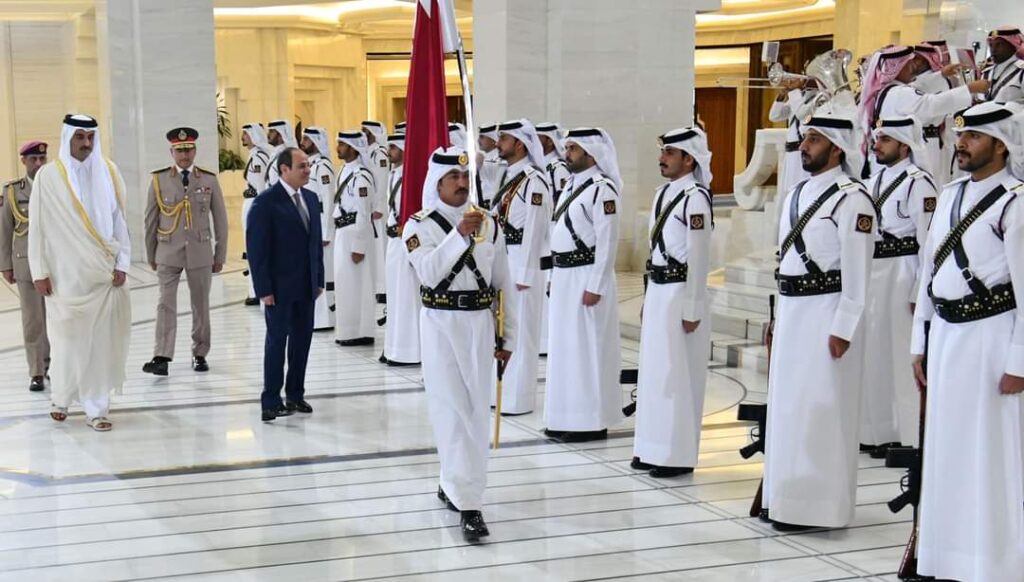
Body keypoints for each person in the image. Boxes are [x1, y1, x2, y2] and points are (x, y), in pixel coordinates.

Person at [911, 101, 1024, 581]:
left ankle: (993, 565)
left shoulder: (1015, 202)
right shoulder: (950, 193)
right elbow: (929, 271)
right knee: (946, 450)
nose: (961, 144)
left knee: (988, 455)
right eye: (960, 135)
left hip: (991, 340)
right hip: (946, 337)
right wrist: (919, 340)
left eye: (974, 136)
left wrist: (1020, 362)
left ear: (1001, 145)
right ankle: (945, 557)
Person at [763, 111, 875, 531]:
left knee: (821, 411)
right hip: (793, 311)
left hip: (826, 314)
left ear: (836, 148)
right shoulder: (795, 193)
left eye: (814, 139)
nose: (805, 147)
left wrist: (843, 328)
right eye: (805, 139)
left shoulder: (853, 199)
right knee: (789, 408)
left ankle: (820, 507)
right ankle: (783, 499)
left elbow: (858, 274)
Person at [402, 147, 517, 542]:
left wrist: (508, 337)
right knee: (450, 409)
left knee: (476, 411)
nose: (462, 183)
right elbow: (429, 273)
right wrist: (459, 236)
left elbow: (503, 283)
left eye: (466, 177)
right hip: (440, 325)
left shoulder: (491, 224)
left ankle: (452, 480)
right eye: (453, 177)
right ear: (437, 183)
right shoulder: (417, 227)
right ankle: (470, 504)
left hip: (480, 325)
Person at [28, 114, 131, 432]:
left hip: (102, 274)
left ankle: (96, 409)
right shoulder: (48, 177)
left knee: (99, 343)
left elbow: (119, 221)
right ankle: (60, 397)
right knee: (66, 340)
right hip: (64, 276)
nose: (86, 143)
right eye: (80, 137)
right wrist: (39, 270)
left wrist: (123, 263)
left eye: (90, 137)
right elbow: (37, 227)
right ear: (67, 137)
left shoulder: (109, 172)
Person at [631, 127, 714, 478]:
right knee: (654, 374)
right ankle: (650, 448)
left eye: (669, 152)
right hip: (659, 289)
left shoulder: (696, 198)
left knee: (676, 377)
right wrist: (648, 297)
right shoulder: (664, 193)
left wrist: (693, 306)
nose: (661, 158)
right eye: (662, 151)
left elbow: (699, 257)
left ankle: (675, 455)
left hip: (681, 292)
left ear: (689, 159)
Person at [858, 116, 937, 456]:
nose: (877, 145)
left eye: (885, 140)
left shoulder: (919, 183)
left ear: (904, 146)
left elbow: (929, 242)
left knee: (900, 353)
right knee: (874, 353)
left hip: (904, 270)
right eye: (877, 138)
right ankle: (875, 431)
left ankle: (906, 435)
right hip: (875, 271)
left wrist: (919, 289)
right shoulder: (873, 181)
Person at [544, 128, 623, 442]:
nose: (567, 154)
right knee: (564, 349)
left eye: (573, 149)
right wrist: (552, 276)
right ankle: (564, 417)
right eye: (567, 148)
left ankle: (590, 423)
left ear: (591, 152)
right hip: (564, 275)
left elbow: (608, 241)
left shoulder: (603, 189)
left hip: (586, 276)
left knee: (587, 351)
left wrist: (597, 285)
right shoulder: (571, 185)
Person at [246, 147, 324, 422]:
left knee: (302, 342)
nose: (308, 170)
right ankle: (271, 400)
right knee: (277, 342)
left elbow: (315, 244)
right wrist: (263, 289)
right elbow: (257, 251)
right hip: (278, 288)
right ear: (284, 169)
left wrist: (318, 279)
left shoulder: (311, 198)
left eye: (308, 165)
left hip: (306, 286)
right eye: (302, 166)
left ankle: (295, 394)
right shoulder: (266, 202)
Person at [142, 127, 228, 376]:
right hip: (168, 250)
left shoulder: (208, 180)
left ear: (195, 151)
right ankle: (161, 356)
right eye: (179, 150)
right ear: (172, 152)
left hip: (200, 251)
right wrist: (151, 254)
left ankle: (200, 353)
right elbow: (150, 220)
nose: (184, 155)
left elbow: (220, 220)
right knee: (165, 304)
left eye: (188, 149)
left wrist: (220, 255)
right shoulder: (159, 180)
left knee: (200, 305)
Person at [488, 120, 551, 416]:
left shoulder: (534, 181)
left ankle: (518, 399)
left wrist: (525, 273)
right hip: (504, 258)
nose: (498, 143)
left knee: (521, 332)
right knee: (503, 330)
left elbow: (536, 230)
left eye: (504, 138)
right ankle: (498, 393)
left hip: (522, 264)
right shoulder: (508, 175)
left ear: (520, 144)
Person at [859, 45, 988, 179]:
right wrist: (969, 89)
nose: (913, 68)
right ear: (898, 68)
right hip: (906, 154)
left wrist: (941, 74)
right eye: (908, 64)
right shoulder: (899, 93)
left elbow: (919, 86)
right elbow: (931, 104)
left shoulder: (892, 90)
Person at [1, 141, 51, 392]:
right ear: (24, 161)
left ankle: (53, 364)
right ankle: (37, 371)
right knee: (33, 320)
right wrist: (5, 265)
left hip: (55, 264)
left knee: (57, 319)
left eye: (42, 159)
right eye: (34, 159)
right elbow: (4, 230)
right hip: (26, 264)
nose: (39, 164)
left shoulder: (56, 187)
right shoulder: (12, 191)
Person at [333, 131, 377, 346]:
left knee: (358, 285)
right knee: (345, 284)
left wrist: (359, 245)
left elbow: (363, 212)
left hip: (355, 234)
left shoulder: (361, 177)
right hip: (343, 232)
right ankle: (347, 330)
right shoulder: (344, 170)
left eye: (342, 144)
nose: (338, 148)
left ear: (353, 148)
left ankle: (360, 331)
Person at [382, 132, 421, 366]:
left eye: (393, 148)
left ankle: (409, 350)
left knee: (406, 296)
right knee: (395, 296)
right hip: (393, 242)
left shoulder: (410, 176)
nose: (389, 152)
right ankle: (393, 347)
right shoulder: (394, 173)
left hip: (404, 240)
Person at [300, 127, 337, 331]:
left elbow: (329, 200)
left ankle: (325, 319)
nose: (303, 142)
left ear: (315, 142)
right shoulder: (310, 166)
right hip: (309, 222)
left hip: (321, 225)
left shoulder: (323, 167)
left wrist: (326, 231)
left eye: (306, 139)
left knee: (322, 272)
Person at [768, 78, 819, 195]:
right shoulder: (798, 98)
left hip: (802, 152)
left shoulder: (817, 99)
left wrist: (794, 91)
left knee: (800, 189)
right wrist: (782, 95)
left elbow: (802, 114)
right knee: (788, 190)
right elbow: (774, 116)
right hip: (790, 153)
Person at [240, 123, 271, 306]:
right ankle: (253, 289)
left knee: (255, 247)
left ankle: (256, 291)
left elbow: (260, 188)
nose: (243, 137)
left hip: (254, 204)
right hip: (249, 203)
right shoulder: (253, 156)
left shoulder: (259, 159)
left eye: (245, 133)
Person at [362, 120, 390, 302]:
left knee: (381, 247)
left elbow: (382, 180)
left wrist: (378, 206)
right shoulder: (367, 152)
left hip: (378, 208)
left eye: (365, 131)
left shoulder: (380, 153)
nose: (363, 134)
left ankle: (383, 288)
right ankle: (376, 286)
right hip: (368, 206)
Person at [981, 27, 1024, 103]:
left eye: (998, 44)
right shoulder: (986, 72)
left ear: (1012, 45)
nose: (993, 50)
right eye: (991, 45)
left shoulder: (1021, 71)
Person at [265, 119, 297, 187]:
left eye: (271, 131)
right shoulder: (276, 154)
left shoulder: (286, 157)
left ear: (281, 135)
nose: (268, 135)